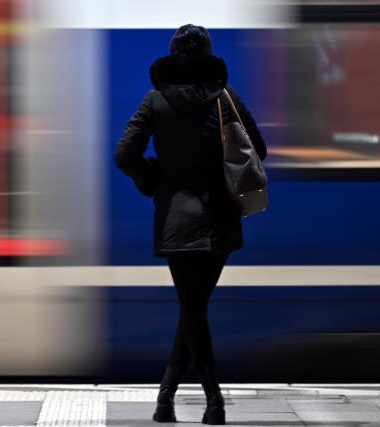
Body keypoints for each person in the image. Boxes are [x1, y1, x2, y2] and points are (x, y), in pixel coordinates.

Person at [113, 24, 267, 425]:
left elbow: (124, 154)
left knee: (191, 306)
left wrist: (152, 180)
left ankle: (167, 399)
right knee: (194, 306)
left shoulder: (155, 100)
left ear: (172, 56)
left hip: (174, 217)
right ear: (209, 57)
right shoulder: (226, 99)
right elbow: (258, 150)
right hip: (220, 216)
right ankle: (210, 400)